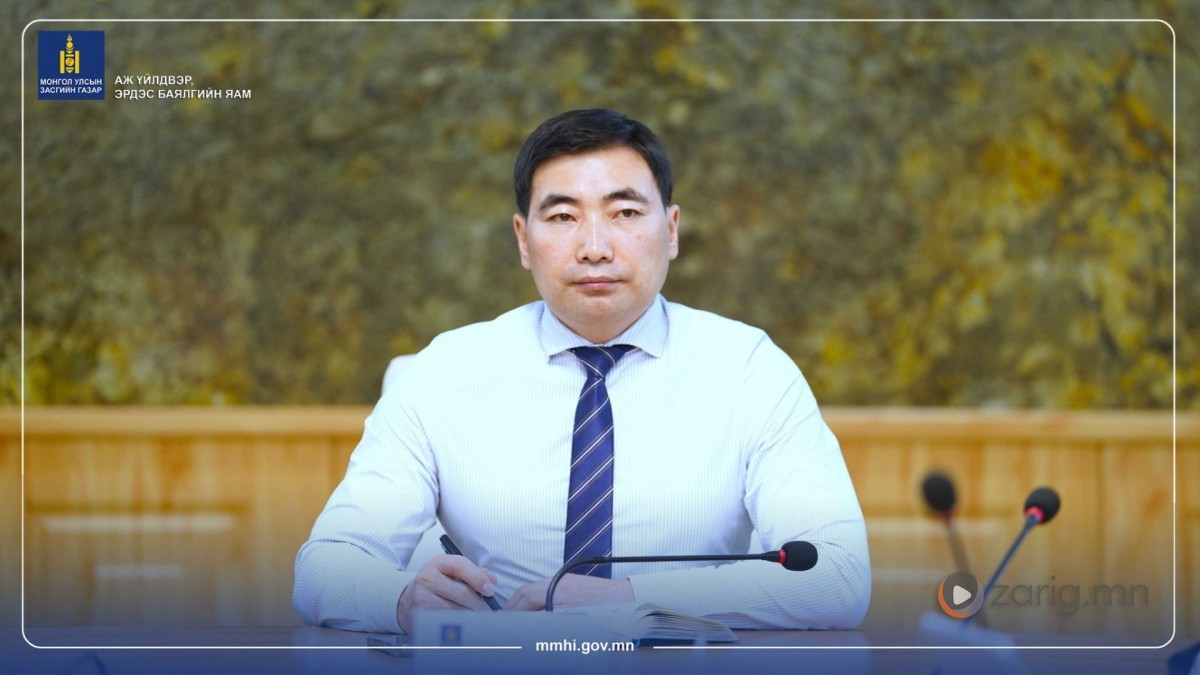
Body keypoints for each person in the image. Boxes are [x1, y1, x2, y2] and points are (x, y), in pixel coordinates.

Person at [292, 109, 870, 635]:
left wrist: (629, 600)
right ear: (524, 240)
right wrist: (401, 601)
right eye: (564, 216)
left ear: (671, 231)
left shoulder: (749, 371)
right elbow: (325, 567)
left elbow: (836, 576)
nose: (595, 248)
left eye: (625, 213)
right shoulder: (444, 373)